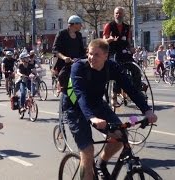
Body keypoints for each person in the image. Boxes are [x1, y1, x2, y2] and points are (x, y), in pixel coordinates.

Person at [63, 39, 157, 180]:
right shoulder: (79, 67)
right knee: (88, 152)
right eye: (90, 54)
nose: (91, 58)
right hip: (75, 107)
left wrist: (147, 110)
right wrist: (92, 118)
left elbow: (130, 88)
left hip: (96, 103)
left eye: (96, 55)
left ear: (106, 56)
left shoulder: (111, 67)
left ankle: (101, 163)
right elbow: (80, 94)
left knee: (120, 135)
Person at [103, 7, 143, 106]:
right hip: (113, 53)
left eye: (120, 13)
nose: (118, 15)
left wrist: (131, 48)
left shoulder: (127, 27)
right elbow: (104, 41)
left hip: (124, 52)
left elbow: (128, 42)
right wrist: (110, 39)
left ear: (123, 14)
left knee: (136, 69)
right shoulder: (109, 25)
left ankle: (136, 91)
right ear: (114, 14)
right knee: (118, 70)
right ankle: (114, 95)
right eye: (116, 13)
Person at [52, 14, 86, 92]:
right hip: (64, 63)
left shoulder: (79, 35)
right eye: (80, 24)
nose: (81, 26)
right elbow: (55, 50)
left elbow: (81, 50)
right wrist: (64, 58)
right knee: (65, 85)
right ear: (74, 24)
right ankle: (60, 85)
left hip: (76, 63)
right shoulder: (61, 34)